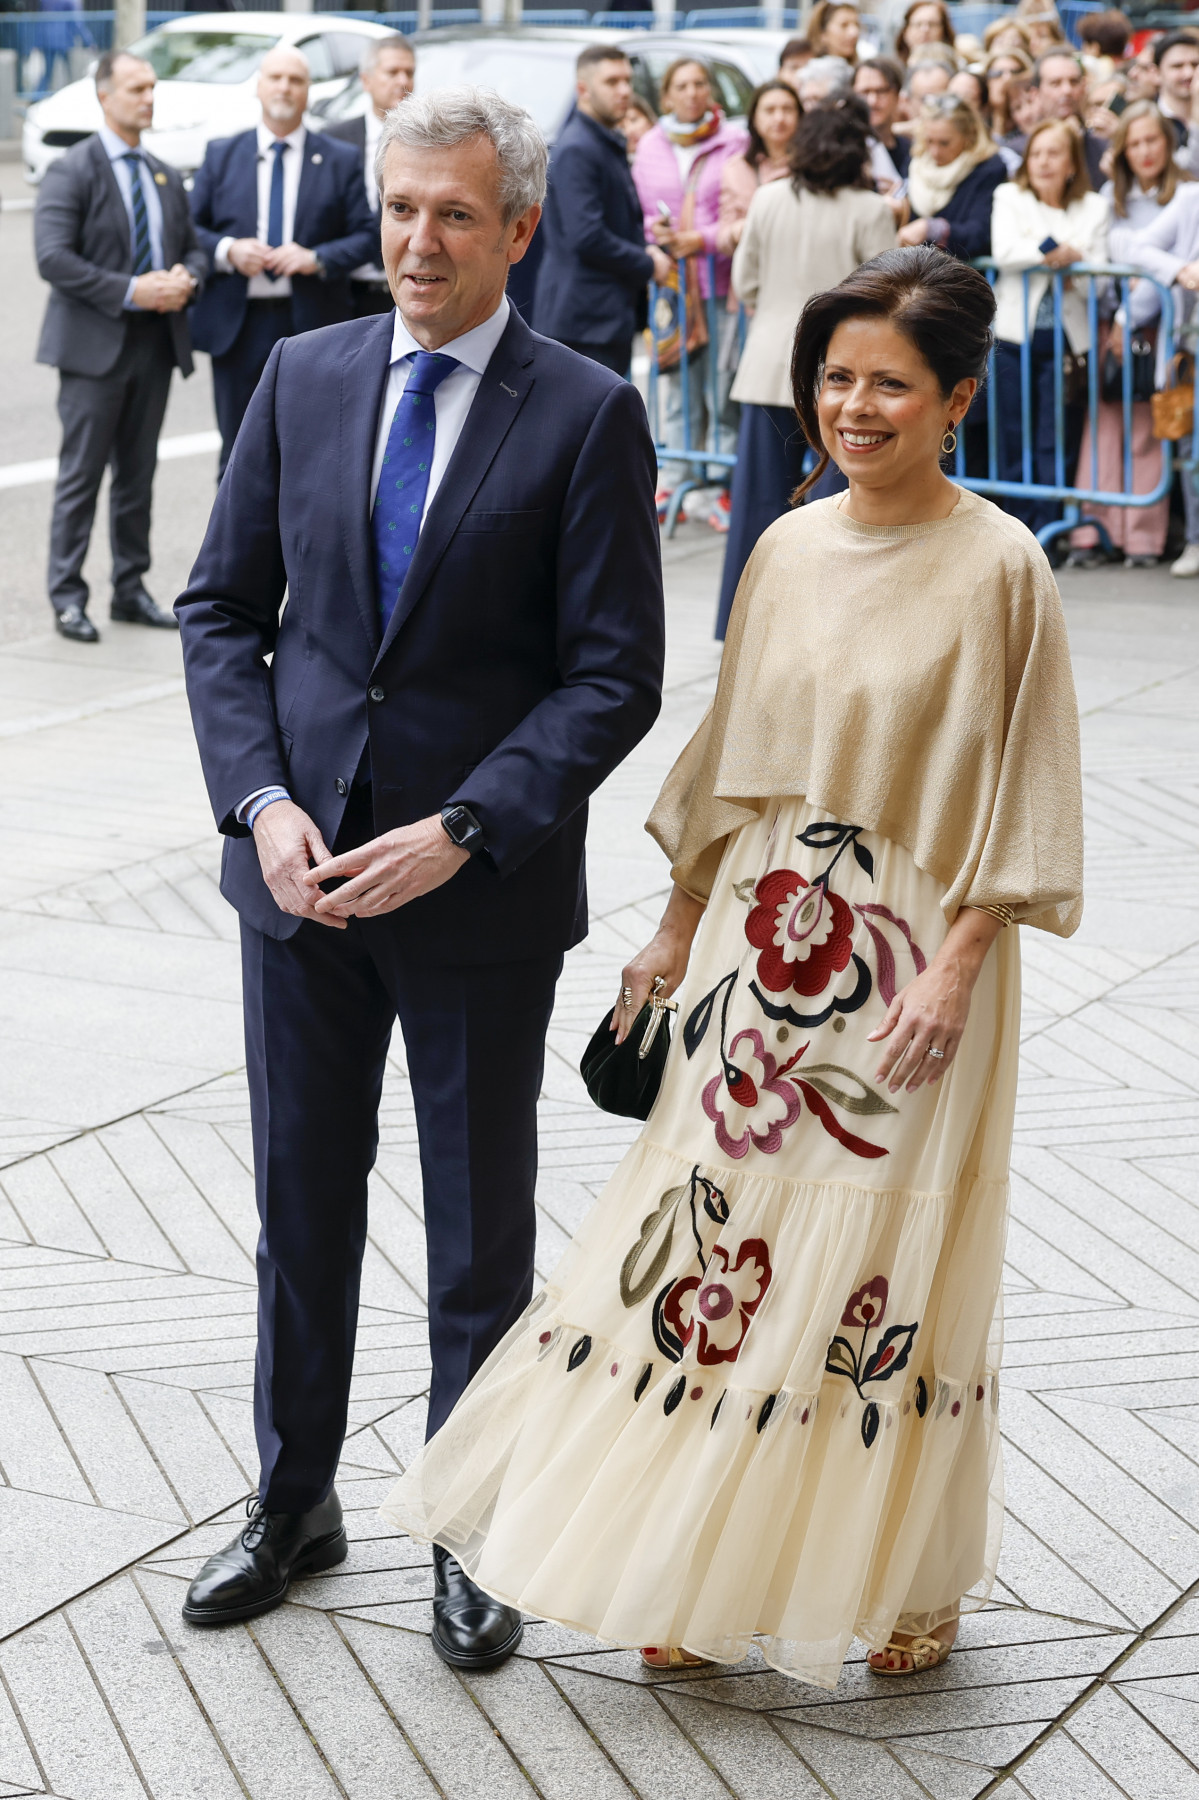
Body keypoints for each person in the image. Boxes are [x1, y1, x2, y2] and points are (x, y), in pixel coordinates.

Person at [381, 243, 1083, 1689]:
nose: (854, 406)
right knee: (710, 1249)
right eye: (833, 379)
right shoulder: (781, 545)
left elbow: (1020, 793)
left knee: (883, 1261)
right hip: (766, 944)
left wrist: (955, 966)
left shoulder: (1003, 567)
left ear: (955, 396)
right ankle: (700, 1569)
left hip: (910, 961)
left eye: (889, 383)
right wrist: (672, 926)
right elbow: (730, 765)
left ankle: (901, 1574)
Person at [175, 86, 665, 1669]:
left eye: (452, 213)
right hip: (299, 886)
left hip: (472, 893)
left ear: (518, 230)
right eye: (398, 208)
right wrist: (259, 803)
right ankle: (291, 1500)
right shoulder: (305, 376)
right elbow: (219, 612)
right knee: (297, 1210)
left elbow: (612, 675)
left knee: (478, 1232)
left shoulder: (584, 409)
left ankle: (470, 1526)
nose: (414, 241)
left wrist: (464, 826)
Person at [34, 50, 206, 644]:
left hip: (154, 346)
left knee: (138, 476)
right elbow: (52, 258)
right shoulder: (73, 170)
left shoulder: (163, 171)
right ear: (104, 96)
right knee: (81, 476)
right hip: (94, 349)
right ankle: (67, 596)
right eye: (136, 88)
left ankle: (130, 589)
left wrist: (187, 277)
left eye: (152, 88)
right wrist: (134, 289)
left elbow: (192, 246)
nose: (148, 98)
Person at [716, 105, 896, 635]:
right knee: (839, 501)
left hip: (770, 362)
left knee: (755, 502)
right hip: (839, 375)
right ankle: (827, 616)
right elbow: (887, 300)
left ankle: (743, 618)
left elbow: (745, 282)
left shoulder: (768, 200)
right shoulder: (870, 209)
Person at [189, 46, 377, 477]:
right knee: (237, 457)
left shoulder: (338, 158)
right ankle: (235, 545)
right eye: (275, 77)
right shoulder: (222, 154)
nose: (284, 88)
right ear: (258, 86)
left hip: (311, 325)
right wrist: (228, 250)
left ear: (308, 91)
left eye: (295, 80)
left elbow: (369, 236)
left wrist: (317, 257)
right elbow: (188, 229)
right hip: (240, 327)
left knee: (313, 453)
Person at [1069, 103, 1186, 569]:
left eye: (1152, 140)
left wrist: (1128, 316)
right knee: (1102, 431)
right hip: (1109, 324)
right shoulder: (1109, 200)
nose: (1144, 151)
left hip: (1155, 328)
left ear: (1168, 144)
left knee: (1145, 432)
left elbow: (1164, 273)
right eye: (1134, 143)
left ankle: (1141, 538)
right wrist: (1115, 312)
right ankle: (1092, 533)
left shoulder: (1184, 198)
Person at [633, 58, 746, 515]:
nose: (692, 92)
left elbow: (742, 208)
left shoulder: (735, 140)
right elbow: (637, 209)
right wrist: (654, 234)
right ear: (667, 96)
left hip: (717, 279)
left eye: (700, 83)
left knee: (719, 384)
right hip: (672, 287)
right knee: (676, 381)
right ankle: (677, 474)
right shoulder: (650, 145)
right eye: (682, 85)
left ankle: (720, 479)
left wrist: (700, 238)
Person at [991, 117, 1109, 543]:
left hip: (1067, 337)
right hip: (1013, 336)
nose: (1043, 161)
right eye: (1036, 153)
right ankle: (1017, 528)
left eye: (1053, 153)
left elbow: (1101, 274)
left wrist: (1066, 258)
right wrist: (1060, 252)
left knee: (1055, 433)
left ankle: (1048, 528)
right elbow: (1004, 252)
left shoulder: (1094, 206)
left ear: (1072, 162)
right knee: (1013, 430)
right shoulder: (1009, 195)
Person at [536, 45, 670, 375]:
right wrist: (647, 262)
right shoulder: (579, 148)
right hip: (583, 325)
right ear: (583, 89)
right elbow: (587, 236)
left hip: (600, 319)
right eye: (612, 82)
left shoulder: (601, 140)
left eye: (627, 80)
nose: (625, 90)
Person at [1106, 153, 1199, 573]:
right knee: (1190, 446)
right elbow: (1140, 247)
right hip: (1190, 347)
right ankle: (1196, 541)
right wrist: (1181, 268)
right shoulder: (1190, 199)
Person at [323, 35, 416, 319]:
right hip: (343, 293)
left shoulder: (426, 145)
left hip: (407, 293)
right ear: (366, 80)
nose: (403, 80)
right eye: (392, 72)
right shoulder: (332, 141)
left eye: (409, 72)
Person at [899, 94, 1008, 259]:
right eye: (929, 141)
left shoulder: (988, 168)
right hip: (918, 275)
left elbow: (981, 234)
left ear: (968, 136)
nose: (935, 151)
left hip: (961, 278)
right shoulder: (914, 162)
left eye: (944, 143)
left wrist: (933, 229)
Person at [717, 79, 800, 255]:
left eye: (787, 109)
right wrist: (736, 231)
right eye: (769, 110)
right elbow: (722, 238)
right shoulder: (737, 168)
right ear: (754, 118)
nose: (779, 118)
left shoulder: (814, 165)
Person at [1031, 50, 1108, 187]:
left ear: (1084, 88)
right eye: (1056, 83)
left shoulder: (1105, 149)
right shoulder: (1020, 152)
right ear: (1035, 94)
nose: (1067, 90)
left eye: (1074, 82)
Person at [855, 57, 912, 176]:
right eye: (864, 92)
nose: (872, 101)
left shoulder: (910, 151)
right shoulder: (844, 151)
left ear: (897, 96)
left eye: (881, 91)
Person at [1151, 30, 1199, 148]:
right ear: (1156, 73)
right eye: (1177, 66)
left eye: (1195, 64)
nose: (1189, 73)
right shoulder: (1147, 120)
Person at [984, 48, 1034, 146]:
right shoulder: (979, 124)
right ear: (986, 82)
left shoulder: (1035, 121)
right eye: (997, 74)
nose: (1007, 78)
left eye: (1015, 72)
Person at [895, 0, 957, 67]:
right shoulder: (895, 71)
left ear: (944, 30)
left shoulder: (958, 68)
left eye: (932, 24)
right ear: (906, 31)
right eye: (918, 24)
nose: (925, 30)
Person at [807, 0, 862, 65]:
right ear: (823, 32)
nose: (854, 33)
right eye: (844, 25)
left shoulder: (861, 70)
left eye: (856, 25)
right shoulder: (807, 71)